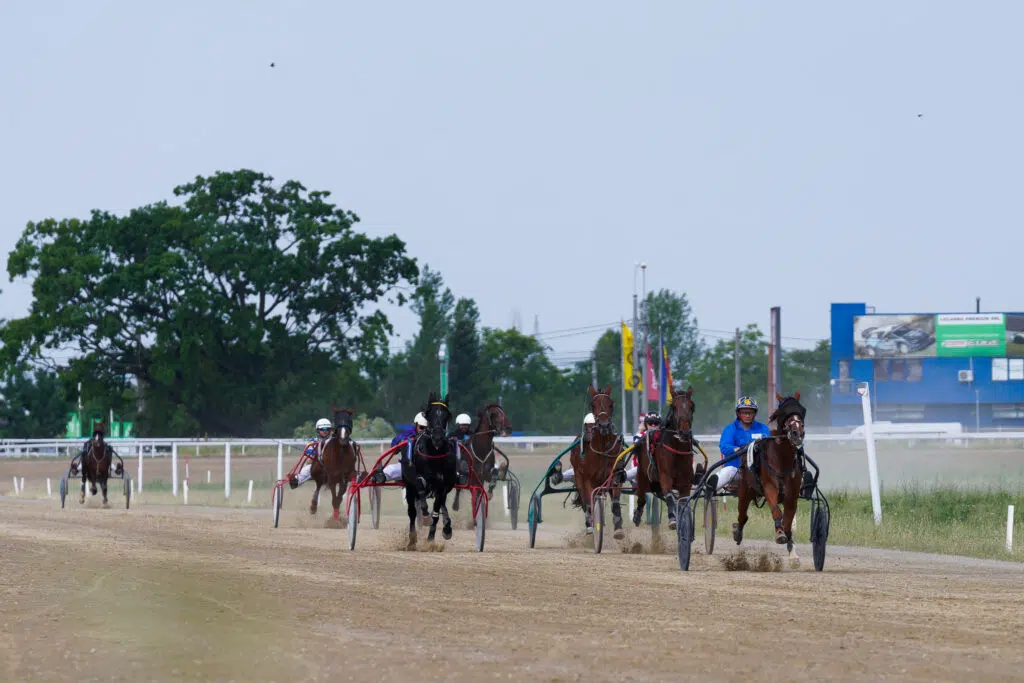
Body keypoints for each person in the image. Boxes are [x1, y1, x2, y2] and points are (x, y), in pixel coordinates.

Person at [706, 396, 771, 493]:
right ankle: (709, 490)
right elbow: (724, 446)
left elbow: (770, 448)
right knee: (728, 471)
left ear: (755, 414)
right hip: (737, 472)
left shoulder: (763, 429)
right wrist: (737, 449)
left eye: (751, 412)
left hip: (760, 472)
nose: (748, 415)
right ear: (738, 413)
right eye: (745, 412)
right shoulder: (730, 429)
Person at [370, 413, 428, 483]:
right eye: (422, 427)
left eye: (427, 428)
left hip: (427, 468)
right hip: (408, 468)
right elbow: (394, 446)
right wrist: (401, 442)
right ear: (415, 425)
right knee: (391, 470)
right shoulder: (408, 434)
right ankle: (379, 476)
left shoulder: (433, 437)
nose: (424, 430)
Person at [547, 413, 595, 485]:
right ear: (585, 427)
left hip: (597, 473)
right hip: (581, 472)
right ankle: (559, 476)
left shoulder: (601, 441)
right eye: (589, 426)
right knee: (576, 471)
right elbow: (573, 459)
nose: (590, 429)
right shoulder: (579, 440)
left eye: (593, 426)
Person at [289, 418, 332, 488]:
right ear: (318, 430)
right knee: (307, 469)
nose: (325, 431)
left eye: (327, 429)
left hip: (332, 465)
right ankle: (297, 481)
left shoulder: (334, 440)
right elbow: (308, 451)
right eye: (322, 429)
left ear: (330, 430)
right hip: (317, 465)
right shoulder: (313, 441)